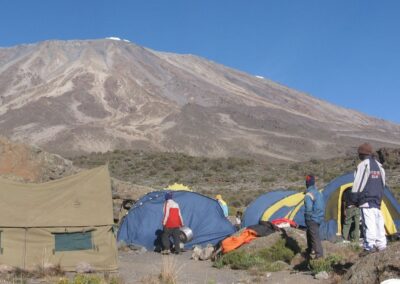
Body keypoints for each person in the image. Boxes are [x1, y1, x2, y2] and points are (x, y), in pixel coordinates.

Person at [352, 143, 387, 256]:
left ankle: (369, 246)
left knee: (368, 223)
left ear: (362, 154)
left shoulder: (364, 165)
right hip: (377, 199)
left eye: (359, 154)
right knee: (378, 223)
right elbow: (383, 183)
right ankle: (382, 246)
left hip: (366, 199)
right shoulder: (379, 165)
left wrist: (355, 199)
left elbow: (359, 182)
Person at [304, 175, 324, 259]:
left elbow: (308, 208)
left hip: (312, 218)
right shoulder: (318, 193)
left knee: (315, 237)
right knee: (310, 234)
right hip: (319, 217)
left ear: (307, 184)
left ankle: (319, 256)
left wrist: (308, 217)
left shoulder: (308, 195)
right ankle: (311, 250)